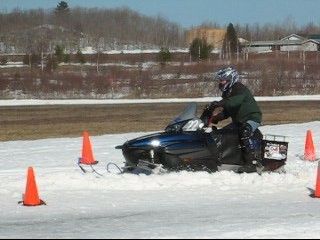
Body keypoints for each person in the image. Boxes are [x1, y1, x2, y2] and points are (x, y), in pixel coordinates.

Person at [204, 66, 262, 173]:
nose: (221, 82)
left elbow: (234, 102)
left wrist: (218, 103)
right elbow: (228, 110)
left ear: (231, 79)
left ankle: (250, 164)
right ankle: (226, 160)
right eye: (220, 80)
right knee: (222, 134)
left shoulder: (239, 88)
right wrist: (215, 119)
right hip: (238, 121)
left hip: (252, 118)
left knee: (244, 132)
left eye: (223, 80)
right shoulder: (227, 93)